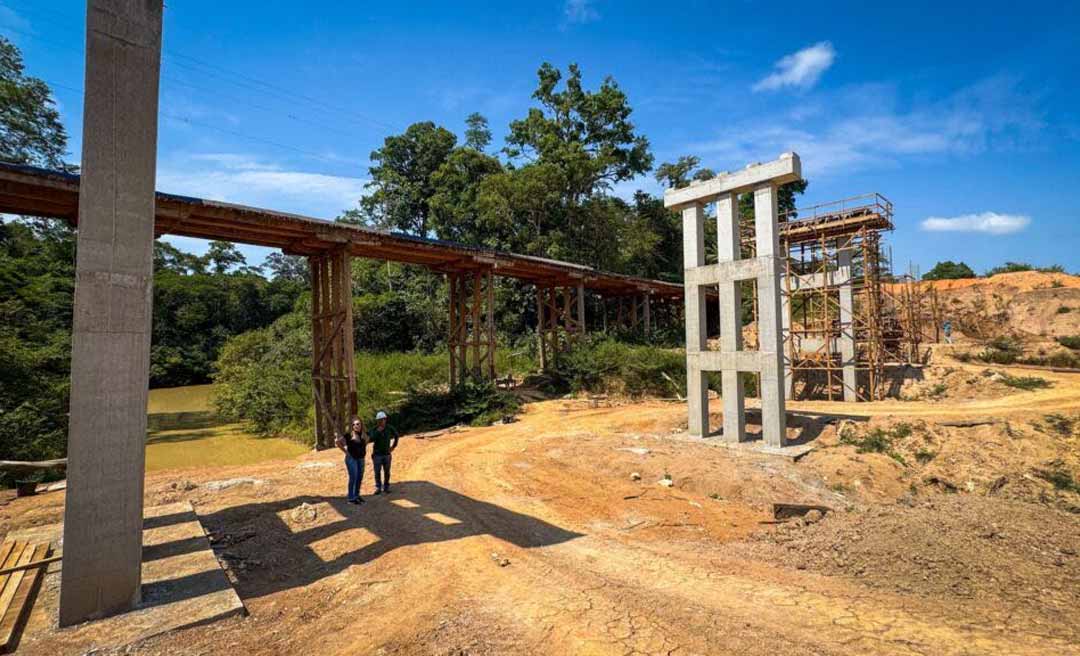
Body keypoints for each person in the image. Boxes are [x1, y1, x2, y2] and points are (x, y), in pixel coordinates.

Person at [336, 415, 368, 504]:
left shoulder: (363, 435)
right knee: (353, 477)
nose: (356, 426)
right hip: (351, 459)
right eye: (354, 424)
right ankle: (351, 498)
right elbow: (338, 442)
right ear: (352, 426)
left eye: (358, 424)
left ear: (361, 424)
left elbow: (366, 442)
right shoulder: (348, 435)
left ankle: (357, 495)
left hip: (361, 459)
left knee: (359, 477)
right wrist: (346, 452)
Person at [370, 410, 400, 495]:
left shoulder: (389, 428)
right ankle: (378, 487)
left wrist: (393, 446)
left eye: (383, 419)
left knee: (387, 472)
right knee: (377, 472)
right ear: (377, 421)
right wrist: (378, 432)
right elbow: (371, 438)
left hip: (387, 454)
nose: (382, 421)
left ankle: (386, 487)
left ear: (385, 419)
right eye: (380, 420)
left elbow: (396, 435)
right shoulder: (375, 429)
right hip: (377, 455)